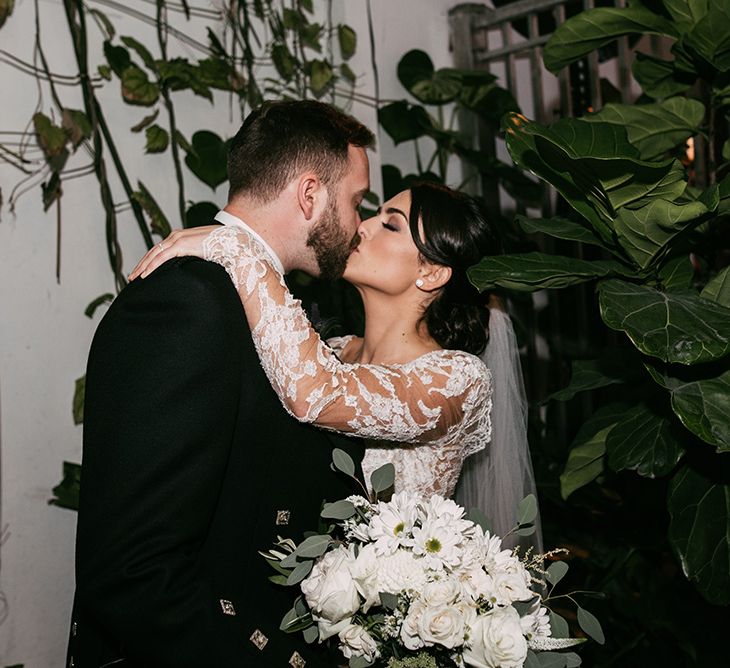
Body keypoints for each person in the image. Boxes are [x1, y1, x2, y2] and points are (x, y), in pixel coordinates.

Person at [68, 100, 375, 668]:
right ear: (310, 195)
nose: (359, 226)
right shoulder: (189, 299)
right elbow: (134, 573)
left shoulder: (257, 301)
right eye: (356, 201)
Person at [133, 181, 542, 550]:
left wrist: (239, 248)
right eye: (374, 214)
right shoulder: (332, 351)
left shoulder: (457, 380)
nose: (362, 226)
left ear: (431, 272)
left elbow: (318, 395)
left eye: (391, 225)